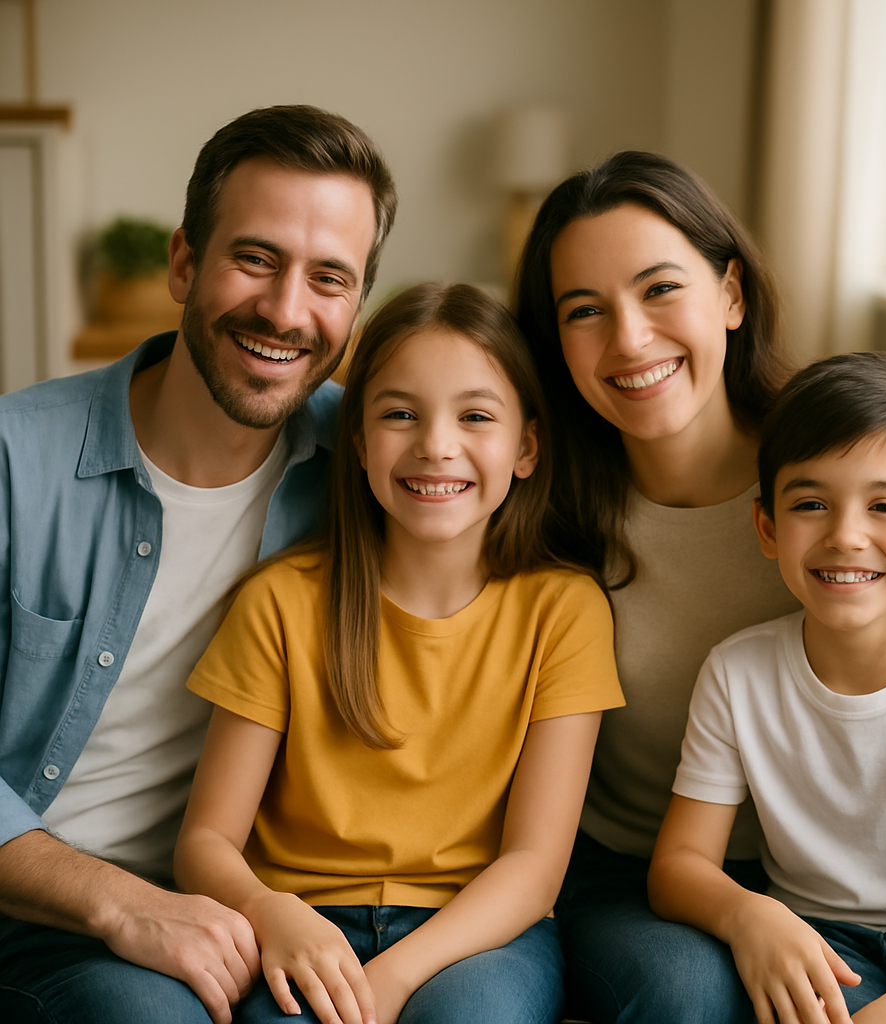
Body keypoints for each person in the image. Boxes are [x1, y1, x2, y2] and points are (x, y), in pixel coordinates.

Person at [514, 150, 886, 1022]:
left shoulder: (840, 477)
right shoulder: (544, 513)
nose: (630, 339)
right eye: (585, 311)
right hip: (643, 868)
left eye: (659, 290)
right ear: (557, 345)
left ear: (730, 294)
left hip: (855, 879)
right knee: (686, 996)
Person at [0, 104, 397, 1024]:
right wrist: (118, 901)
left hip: (244, 908)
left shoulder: (373, 467)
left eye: (329, 278)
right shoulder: (17, 459)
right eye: (254, 257)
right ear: (185, 262)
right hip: (40, 914)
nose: (286, 311)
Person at [173, 282, 624, 1024]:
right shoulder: (282, 601)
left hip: (478, 936)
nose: (435, 445)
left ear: (526, 448)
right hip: (301, 925)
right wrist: (273, 915)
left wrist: (392, 980)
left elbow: (534, 868)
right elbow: (206, 841)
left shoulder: (564, 611)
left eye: (475, 415)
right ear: (356, 442)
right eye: (399, 414)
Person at [648, 351, 886, 1023]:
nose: (846, 535)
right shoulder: (739, 674)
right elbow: (678, 866)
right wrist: (748, 915)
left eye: (884, 505)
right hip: (815, 945)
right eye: (812, 504)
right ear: (768, 528)